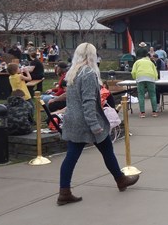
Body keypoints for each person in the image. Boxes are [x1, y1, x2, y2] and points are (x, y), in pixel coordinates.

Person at [57, 42, 137, 206]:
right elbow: (88, 103)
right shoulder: (87, 73)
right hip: (86, 122)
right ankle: (120, 179)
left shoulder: (73, 72)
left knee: (77, 155)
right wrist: (94, 125)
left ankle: (65, 191)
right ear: (91, 56)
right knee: (101, 151)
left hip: (73, 119)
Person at [130, 48, 159, 118]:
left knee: (141, 95)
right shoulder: (150, 62)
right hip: (150, 77)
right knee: (152, 95)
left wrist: (135, 78)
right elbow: (156, 73)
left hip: (140, 77)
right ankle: (154, 112)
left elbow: (133, 72)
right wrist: (154, 79)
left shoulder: (137, 62)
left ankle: (142, 112)